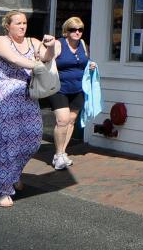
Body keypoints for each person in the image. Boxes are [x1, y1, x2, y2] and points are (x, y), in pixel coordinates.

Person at [0, 11, 55, 207]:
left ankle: (14, 173)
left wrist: (50, 47)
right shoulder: (1, 41)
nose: (22, 26)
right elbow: (15, 60)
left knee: (34, 138)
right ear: (7, 25)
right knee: (9, 142)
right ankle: (4, 190)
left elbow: (46, 56)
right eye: (18, 23)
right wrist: (38, 66)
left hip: (28, 95)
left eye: (24, 23)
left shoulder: (32, 41)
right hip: (6, 96)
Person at [45, 17, 96, 170]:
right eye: (73, 29)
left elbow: (84, 61)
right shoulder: (59, 44)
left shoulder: (82, 44)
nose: (77, 32)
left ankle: (61, 153)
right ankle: (59, 154)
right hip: (59, 88)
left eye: (80, 29)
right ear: (66, 31)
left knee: (71, 121)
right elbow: (46, 60)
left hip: (78, 89)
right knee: (62, 120)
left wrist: (91, 64)